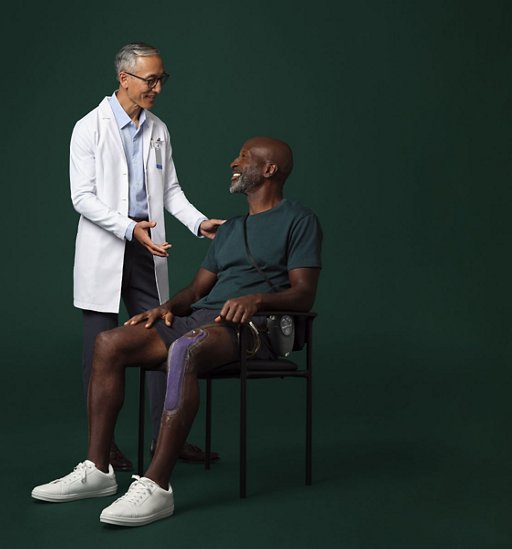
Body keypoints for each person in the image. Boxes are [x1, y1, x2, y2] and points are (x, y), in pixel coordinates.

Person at [37, 137, 322, 527]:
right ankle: (98, 469)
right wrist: (168, 307)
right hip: (201, 319)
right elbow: (196, 290)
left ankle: (156, 486)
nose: (233, 162)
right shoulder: (230, 229)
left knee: (186, 349)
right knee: (110, 343)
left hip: (255, 328)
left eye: (244, 157)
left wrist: (256, 300)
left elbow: (304, 294)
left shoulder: (299, 220)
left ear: (270, 170)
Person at [70, 42, 224, 471]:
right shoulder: (89, 128)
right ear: (124, 79)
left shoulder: (158, 129)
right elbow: (81, 197)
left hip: (147, 249)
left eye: (161, 79)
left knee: (163, 342)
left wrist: (198, 223)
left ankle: (166, 439)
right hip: (107, 248)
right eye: (150, 80)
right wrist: (127, 228)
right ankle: (102, 450)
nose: (157, 87)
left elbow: (170, 191)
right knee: (99, 351)